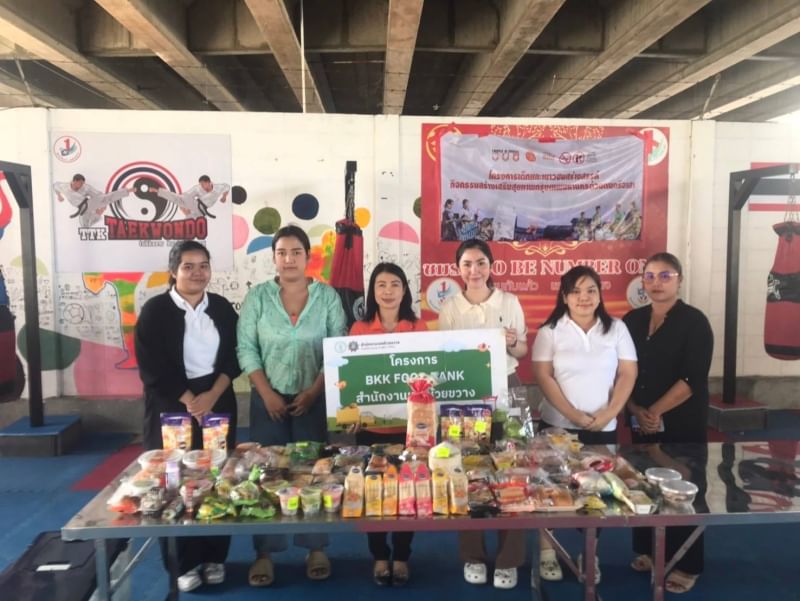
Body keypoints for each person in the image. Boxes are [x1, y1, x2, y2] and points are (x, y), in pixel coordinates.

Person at [237, 224, 347, 587]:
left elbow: (336, 347)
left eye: (296, 252)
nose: (288, 259)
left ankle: (315, 548)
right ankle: (265, 553)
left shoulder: (327, 297)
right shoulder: (258, 298)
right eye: (281, 253)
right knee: (267, 474)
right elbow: (246, 349)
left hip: (313, 398)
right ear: (273, 258)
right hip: (267, 398)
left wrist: (314, 392)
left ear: (308, 257)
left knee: (314, 472)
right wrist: (267, 393)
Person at [134, 240, 240, 593]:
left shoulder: (221, 308)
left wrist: (211, 395)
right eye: (188, 266)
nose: (197, 273)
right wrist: (190, 400)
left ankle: (214, 556)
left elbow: (234, 358)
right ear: (173, 271)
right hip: (172, 406)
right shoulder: (155, 311)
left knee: (217, 477)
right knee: (175, 482)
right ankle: (182, 562)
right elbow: (151, 366)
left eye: (203, 265)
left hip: (216, 401)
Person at [531, 265, 637, 584]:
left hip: (602, 428)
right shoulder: (551, 331)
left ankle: (589, 554)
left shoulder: (616, 328)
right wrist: (573, 415)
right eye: (575, 291)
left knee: (596, 494)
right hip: (557, 425)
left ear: (600, 294)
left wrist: (609, 413)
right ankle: (548, 553)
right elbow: (543, 376)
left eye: (591, 290)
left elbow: (628, 373)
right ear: (564, 297)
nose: (584, 297)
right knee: (552, 489)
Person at [438, 239, 528, 590]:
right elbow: (444, 357)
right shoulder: (450, 307)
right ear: (457, 269)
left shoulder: (509, 301)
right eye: (466, 264)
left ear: (491, 266)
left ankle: (509, 560)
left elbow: (522, 349)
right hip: (466, 394)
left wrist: (512, 341)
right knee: (467, 473)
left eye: (480, 263)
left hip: (508, 389)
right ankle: (473, 555)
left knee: (512, 471)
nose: (474, 270)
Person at [623, 252, 713, 594]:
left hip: (680, 420)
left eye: (665, 276)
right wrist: (635, 409)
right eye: (649, 276)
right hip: (639, 417)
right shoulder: (632, 320)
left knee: (683, 489)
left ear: (679, 280)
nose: (656, 283)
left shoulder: (694, 322)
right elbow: (623, 371)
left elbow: (692, 377)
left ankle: (687, 564)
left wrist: (655, 412)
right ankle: (649, 549)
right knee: (644, 483)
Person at [350, 262, 427, 587]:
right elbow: (352, 379)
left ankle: (402, 556)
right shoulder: (359, 329)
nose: (388, 291)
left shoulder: (419, 327)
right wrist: (348, 414)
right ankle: (380, 555)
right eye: (381, 285)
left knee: (408, 491)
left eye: (395, 284)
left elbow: (429, 375)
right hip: (371, 430)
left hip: (412, 429)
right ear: (372, 291)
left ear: (405, 290)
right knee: (375, 493)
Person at [53, 173, 130, 227]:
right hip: (82, 209)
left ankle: (127, 191)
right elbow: (55, 185)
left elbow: (98, 195)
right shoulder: (64, 187)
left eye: (83, 183)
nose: (82, 185)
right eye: (80, 183)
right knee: (85, 225)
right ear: (75, 181)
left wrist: (102, 205)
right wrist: (59, 195)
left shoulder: (86, 187)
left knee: (106, 198)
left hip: (88, 203)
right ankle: (97, 214)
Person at [157, 175, 230, 218]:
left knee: (191, 219)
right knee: (180, 198)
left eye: (203, 184)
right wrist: (183, 204)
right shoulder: (198, 188)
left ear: (209, 182)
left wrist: (224, 197)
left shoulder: (218, 187)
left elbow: (227, 187)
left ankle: (186, 212)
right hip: (196, 204)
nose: (202, 186)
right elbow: (187, 195)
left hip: (202, 211)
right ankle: (158, 191)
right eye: (201, 184)